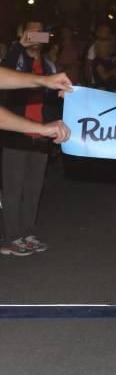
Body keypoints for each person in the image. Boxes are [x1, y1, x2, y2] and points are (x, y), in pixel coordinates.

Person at [0, 21, 73, 257]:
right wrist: (19, 46)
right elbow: (5, 72)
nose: (37, 35)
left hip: (40, 132)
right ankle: (11, 237)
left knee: (33, 187)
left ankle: (27, 232)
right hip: (16, 133)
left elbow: (56, 96)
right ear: (22, 33)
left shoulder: (49, 65)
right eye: (31, 30)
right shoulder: (17, 60)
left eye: (41, 31)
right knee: (13, 188)